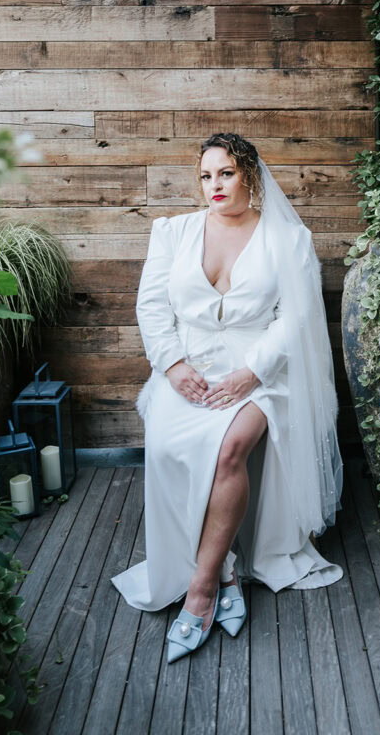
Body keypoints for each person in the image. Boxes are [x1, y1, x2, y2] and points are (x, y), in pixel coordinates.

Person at [111, 133, 343, 662]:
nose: (214, 185)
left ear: (251, 175)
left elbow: (298, 317)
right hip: (188, 368)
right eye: (206, 176)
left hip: (262, 372)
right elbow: (151, 308)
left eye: (226, 173)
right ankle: (229, 568)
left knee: (231, 448)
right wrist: (172, 366)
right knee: (169, 446)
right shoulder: (172, 233)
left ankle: (202, 589)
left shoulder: (289, 238)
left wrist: (252, 372)